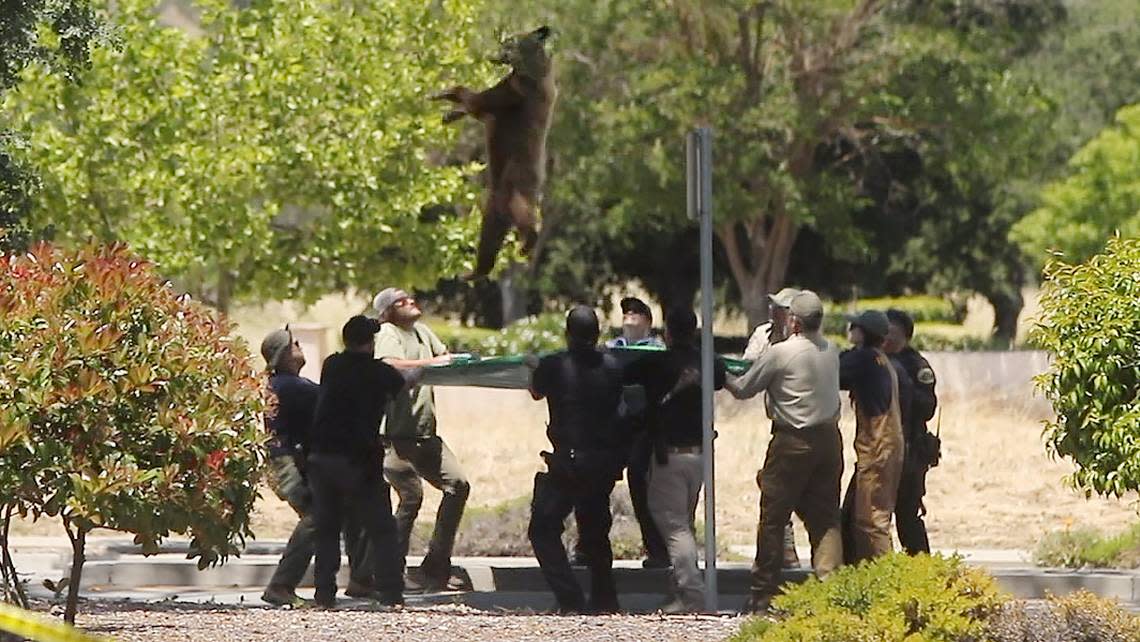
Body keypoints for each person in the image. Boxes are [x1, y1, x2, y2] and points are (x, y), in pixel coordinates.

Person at [724, 291, 844, 614]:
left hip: (792, 440)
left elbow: (743, 388)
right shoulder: (831, 350)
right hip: (830, 440)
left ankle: (763, 596)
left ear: (793, 320)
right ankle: (830, 592)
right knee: (826, 518)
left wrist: (719, 370)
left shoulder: (781, 353)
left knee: (774, 518)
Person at [624, 307, 725, 613]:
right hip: (700, 457)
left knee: (674, 526)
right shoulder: (710, 363)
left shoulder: (657, 363)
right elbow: (722, 378)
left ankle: (693, 596)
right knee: (684, 523)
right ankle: (679, 591)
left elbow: (623, 372)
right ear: (694, 331)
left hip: (670, 457)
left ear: (666, 333)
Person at [305, 315, 411, 608]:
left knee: (327, 529)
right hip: (359, 460)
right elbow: (402, 386)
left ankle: (324, 594)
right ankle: (391, 592)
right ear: (372, 342)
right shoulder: (381, 373)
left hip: (322, 456)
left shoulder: (332, 366)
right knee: (382, 529)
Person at [527, 305, 627, 614]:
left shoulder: (555, 365)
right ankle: (605, 600)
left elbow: (535, 392)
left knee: (542, 528)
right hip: (602, 460)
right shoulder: (613, 367)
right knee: (596, 531)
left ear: (567, 334)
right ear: (598, 334)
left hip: (568, 461)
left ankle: (570, 599)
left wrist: (534, 367)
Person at [372, 288, 470, 593]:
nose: (410, 302)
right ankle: (390, 571)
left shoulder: (423, 332)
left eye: (411, 298)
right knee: (410, 498)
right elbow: (389, 365)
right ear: (387, 312)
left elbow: (445, 359)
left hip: (427, 437)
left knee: (458, 485)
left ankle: (436, 566)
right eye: (400, 301)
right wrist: (430, 365)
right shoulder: (387, 332)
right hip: (396, 439)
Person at [575, 296, 669, 571]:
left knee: (641, 489)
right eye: (626, 312)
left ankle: (657, 551)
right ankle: (587, 548)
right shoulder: (610, 349)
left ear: (649, 322)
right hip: (613, 428)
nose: (630, 316)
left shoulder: (658, 351)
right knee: (595, 488)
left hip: (645, 429)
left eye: (637, 312)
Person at [743, 287, 803, 570]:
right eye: (773, 307)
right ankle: (787, 553)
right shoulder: (764, 334)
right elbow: (748, 365)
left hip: (799, 425)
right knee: (774, 489)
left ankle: (770, 570)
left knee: (781, 492)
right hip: (780, 425)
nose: (773, 312)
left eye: (780, 308)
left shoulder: (805, 342)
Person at [839, 310, 905, 565]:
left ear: (862, 332)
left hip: (876, 448)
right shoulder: (881, 359)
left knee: (872, 519)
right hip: (887, 446)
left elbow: (835, 371)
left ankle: (885, 582)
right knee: (863, 515)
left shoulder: (864, 359)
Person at [884, 309, 939, 555]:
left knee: (907, 514)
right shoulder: (874, 359)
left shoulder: (916, 366)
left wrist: (902, 386)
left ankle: (921, 569)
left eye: (893, 333)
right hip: (880, 447)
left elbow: (927, 408)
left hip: (911, 449)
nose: (887, 338)